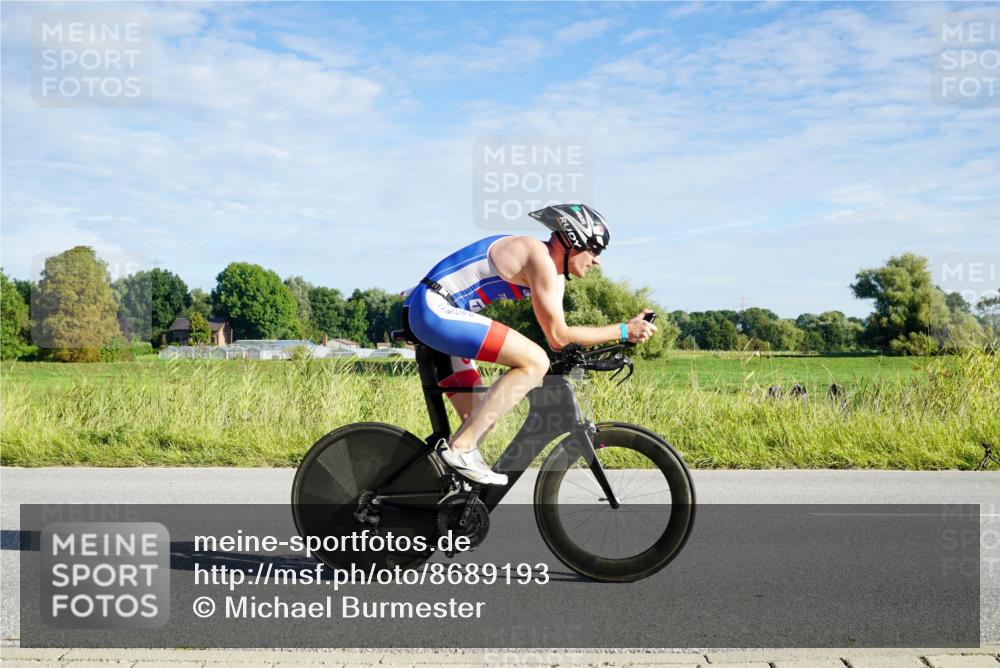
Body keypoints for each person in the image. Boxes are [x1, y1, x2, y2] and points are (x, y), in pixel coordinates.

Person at [402, 204, 657, 486]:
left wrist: (615, 337)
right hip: (433, 308)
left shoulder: (554, 275)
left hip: (434, 311)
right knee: (535, 362)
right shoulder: (538, 257)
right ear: (574, 240)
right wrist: (623, 330)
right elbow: (558, 337)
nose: (597, 260)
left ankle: (438, 498)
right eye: (595, 249)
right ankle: (460, 451)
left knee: (480, 419)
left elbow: (561, 337)